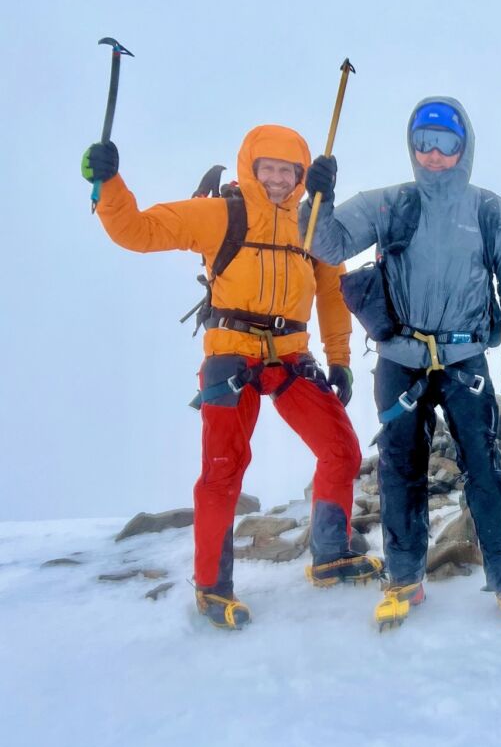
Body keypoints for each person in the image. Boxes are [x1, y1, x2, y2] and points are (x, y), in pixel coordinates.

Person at [81, 126, 374, 630]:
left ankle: (330, 557)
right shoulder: (221, 214)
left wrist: (340, 359)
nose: (279, 179)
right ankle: (213, 588)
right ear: (251, 169)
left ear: (303, 177)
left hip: (291, 359)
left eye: (290, 171)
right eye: (270, 169)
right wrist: (108, 184)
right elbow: (138, 230)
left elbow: (332, 294)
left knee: (342, 449)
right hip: (231, 359)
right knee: (224, 471)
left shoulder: (312, 227)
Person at [302, 97, 501, 635]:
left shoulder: (486, 209)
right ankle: (404, 579)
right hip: (399, 361)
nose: (434, 154)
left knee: (485, 471)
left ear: (464, 148)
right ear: (412, 147)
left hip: (464, 361)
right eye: (424, 142)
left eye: (446, 143)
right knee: (400, 471)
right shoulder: (389, 204)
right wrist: (316, 198)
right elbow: (326, 240)